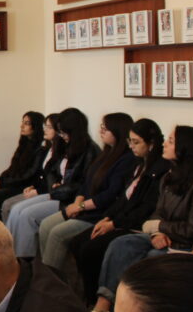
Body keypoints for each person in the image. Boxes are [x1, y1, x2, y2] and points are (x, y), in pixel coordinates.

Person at [91, 125, 193, 312]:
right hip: (162, 236)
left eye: (170, 141)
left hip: (187, 244)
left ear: (184, 148)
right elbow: (158, 213)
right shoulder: (170, 176)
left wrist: (159, 228)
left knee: (152, 257)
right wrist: (156, 233)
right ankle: (103, 308)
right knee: (121, 244)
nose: (165, 144)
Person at [69, 118, 170, 303]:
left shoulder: (160, 170)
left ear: (152, 143)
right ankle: (86, 297)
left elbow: (145, 208)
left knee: (92, 248)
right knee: (78, 242)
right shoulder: (139, 164)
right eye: (130, 141)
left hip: (136, 224)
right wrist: (108, 217)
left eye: (137, 142)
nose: (132, 146)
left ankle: (98, 302)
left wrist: (114, 224)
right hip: (120, 218)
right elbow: (123, 199)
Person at [37, 112, 136, 271]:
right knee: (46, 225)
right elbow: (85, 183)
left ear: (119, 131)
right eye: (101, 127)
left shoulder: (127, 159)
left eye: (106, 128)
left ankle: (51, 281)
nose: (101, 131)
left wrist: (81, 207)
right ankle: (46, 273)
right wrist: (77, 202)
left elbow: (110, 194)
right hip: (82, 207)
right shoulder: (105, 154)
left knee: (57, 234)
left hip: (97, 213)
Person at [5, 107, 100, 257]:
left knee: (27, 215)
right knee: (17, 209)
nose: (62, 135)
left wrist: (58, 189)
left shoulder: (90, 151)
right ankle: (10, 254)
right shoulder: (67, 144)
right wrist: (55, 183)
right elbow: (53, 169)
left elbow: (82, 184)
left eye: (63, 132)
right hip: (58, 192)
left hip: (67, 198)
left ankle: (25, 259)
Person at [0, 113, 65, 221]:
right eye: (45, 126)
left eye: (49, 127)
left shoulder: (47, 150)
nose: (45, 130)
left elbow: (35, 174)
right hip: (33, 187)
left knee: (9, 206)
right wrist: (0, 179)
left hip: (41, 189)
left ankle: (8, 237)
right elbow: (14, 167)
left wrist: (36, 189)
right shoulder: (46, 148)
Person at [0, 112, 45, 217]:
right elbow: (12, 168)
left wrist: (4, 183)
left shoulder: (41, 149)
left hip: (24, 186)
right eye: (22, 122)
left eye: (27, 123)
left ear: (36, 126)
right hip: (12, 183)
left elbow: (30, 175)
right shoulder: (24, 145)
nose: (22, 126)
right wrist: (0, 179)